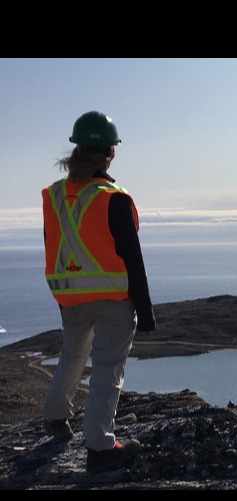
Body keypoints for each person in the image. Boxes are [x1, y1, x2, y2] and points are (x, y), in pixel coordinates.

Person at [41, 110, 157, 475]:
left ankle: (56, 420)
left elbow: (53, 243)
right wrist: (146, 312)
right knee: (107, 369)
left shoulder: (55, 195)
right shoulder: (113, 198)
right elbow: (132, 259)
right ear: (111, 153)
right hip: (113, 300)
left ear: (76, 150)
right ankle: (100, 447)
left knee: (72, 356)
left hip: (70, 298)